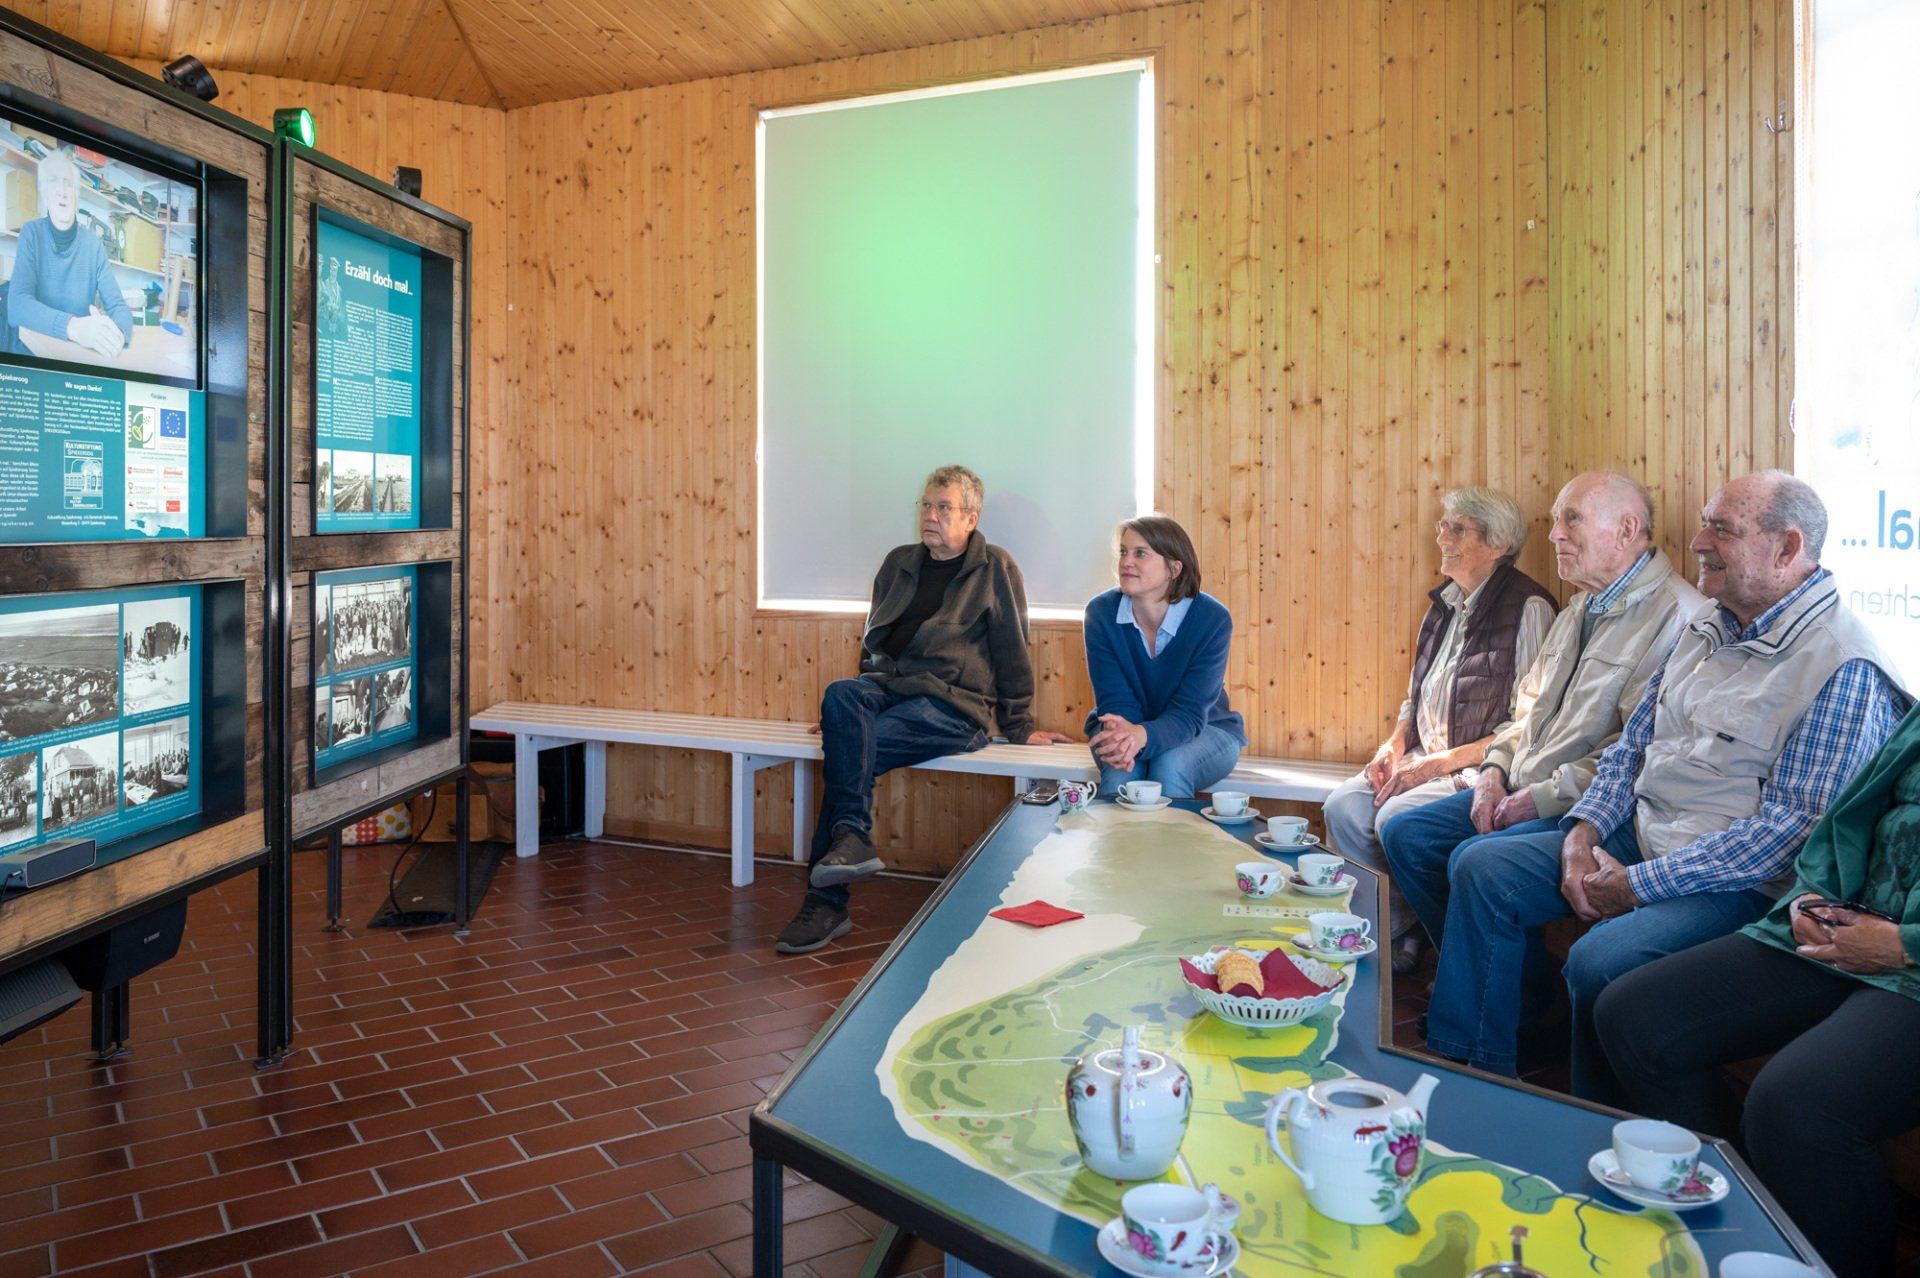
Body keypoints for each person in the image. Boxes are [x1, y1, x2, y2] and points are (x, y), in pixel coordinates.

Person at [1418, 471, 1909, 1097]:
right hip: (1643, 834)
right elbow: (1631, 748)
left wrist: (1638, 885)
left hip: (1737, 883)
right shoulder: (1710, 625)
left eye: (1722, 530)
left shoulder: (1843, 665)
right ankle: (1476, 1073)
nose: (1698, 541)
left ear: (1786, 548)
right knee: (1482, 867)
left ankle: (1608, 1129)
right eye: (1705, 524)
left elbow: (1788, 837)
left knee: (1600, 960)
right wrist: (1583, 832)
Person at [1594, 701, 1920, 1278]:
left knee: (1797, 1104)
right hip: (1855, 919)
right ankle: (1733, 1215)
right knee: (1635, 1013)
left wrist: (1904, 946)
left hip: (1910, 966)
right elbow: (1850, 817)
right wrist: (1811, 898)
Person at [1380, 472, 1703, 966]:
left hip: (1583, 805)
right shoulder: (1579, 608)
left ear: (1626, 529)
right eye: (1555, 520)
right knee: (1407, 835)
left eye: (1571, 519)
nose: (1554, 535)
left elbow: (1636, 751)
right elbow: (1524, 710)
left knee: (1475, 862)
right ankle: (1497, 977)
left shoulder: (1678, 618)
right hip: (1517, 781)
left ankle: (1487, 993)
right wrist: (1493, 772)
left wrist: (1540, 797)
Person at [776, 465, 1072, 954]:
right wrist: (846, 717)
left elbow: (1013, 650)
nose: (931, 515)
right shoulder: (898, 564)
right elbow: (872, 648)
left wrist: (1019, 727)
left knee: (849, 753)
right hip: (888, 691)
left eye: (944, 507)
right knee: (841, 695)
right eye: (927, 505)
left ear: (971, 519)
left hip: (953, 706)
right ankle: (851, 837)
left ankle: (825, 903)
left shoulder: (994, 568)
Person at [1321, 487, 1555, 973]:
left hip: (1479, 768)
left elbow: (1529, 724)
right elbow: (1417, 696)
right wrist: (1394, 744)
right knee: (1342, 807)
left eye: (1458, 529)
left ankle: (1444, 949)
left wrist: (1436, 765)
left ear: (1497, 544)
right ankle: (1395, 930)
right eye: (1443, 526)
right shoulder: (1443, 605)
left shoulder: (1529, 607)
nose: (1442, 537)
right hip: (1424, 757)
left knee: (1393, 817)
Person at [1082, 515, 1244, 797]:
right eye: (1124, 552)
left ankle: (1170, 831)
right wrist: (1129, 738)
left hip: (1207, 729)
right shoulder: (1101, 613)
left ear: (1174, 568)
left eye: (1140, 554)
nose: (1126, 562)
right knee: (1122, 771)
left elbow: (1190, 713)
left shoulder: (1212, 619)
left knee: (1169, 764)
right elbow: (1115, 700)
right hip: (1121, 724)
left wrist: (1142, 736)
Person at [6, 149, 132, 358]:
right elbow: (17, 305)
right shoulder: (31, 233)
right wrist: (73, 327)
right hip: (36, 354)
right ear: (44, 194)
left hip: (76, 356)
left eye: (68, 184)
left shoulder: (93, 243)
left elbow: (118, 306)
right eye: (53, 181)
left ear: (77, 195)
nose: (62, 192)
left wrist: (115, 334)